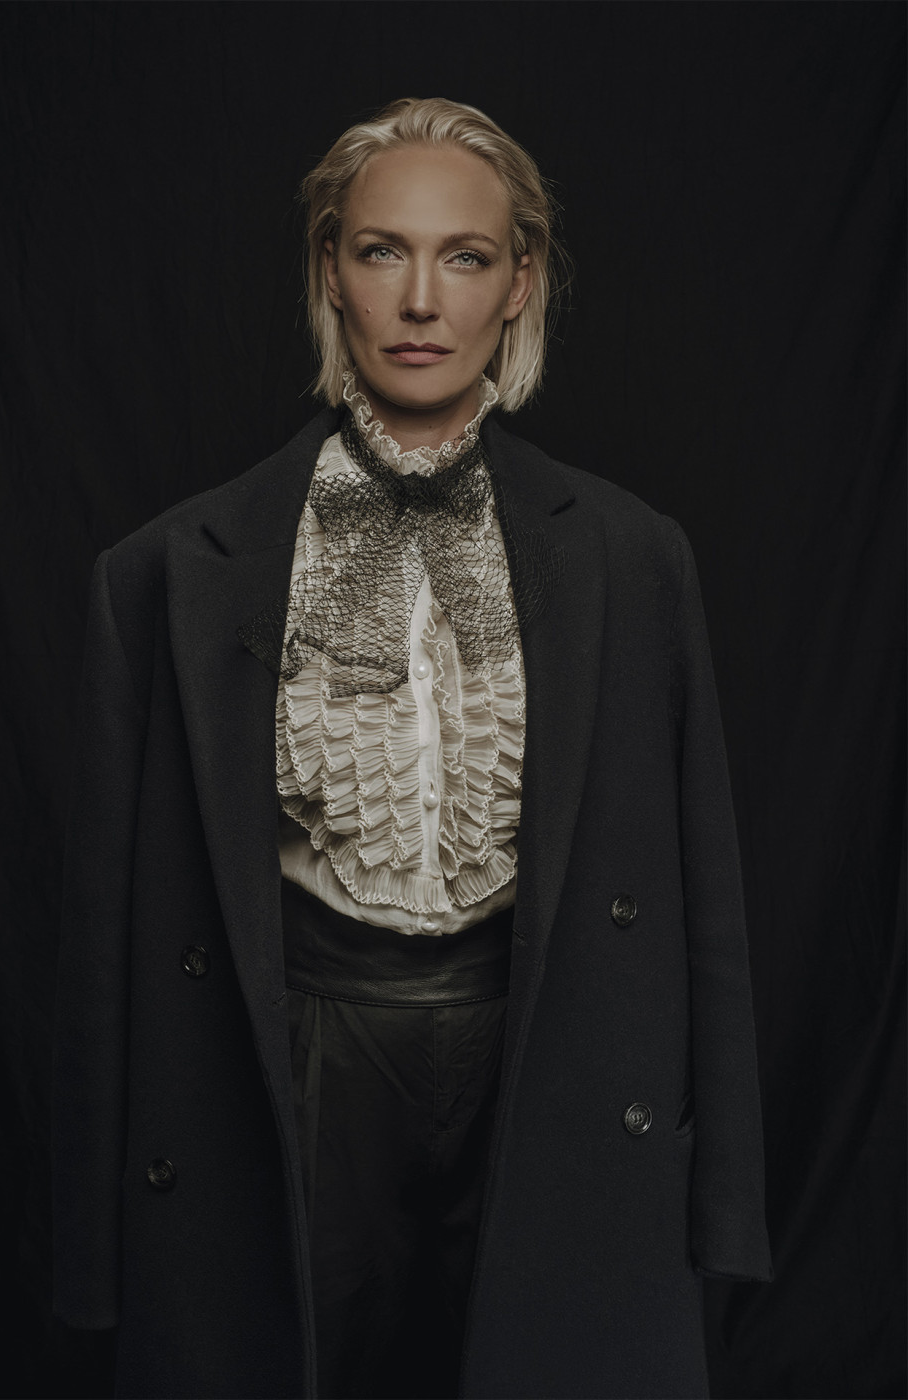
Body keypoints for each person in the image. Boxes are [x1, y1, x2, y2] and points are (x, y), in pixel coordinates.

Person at [52, 97, 772, 1400]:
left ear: (520, 283)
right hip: (295, 1064)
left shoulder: (634, 558)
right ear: (331, 269)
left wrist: (722, 1213)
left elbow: (703, 905)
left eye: (466, 256)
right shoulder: (163, 573)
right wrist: (92, 1265)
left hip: (547, 1061)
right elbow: (106, 944)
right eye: (383, 251)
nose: (422, 300)